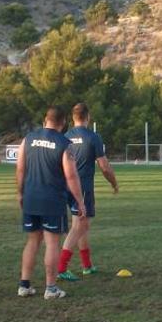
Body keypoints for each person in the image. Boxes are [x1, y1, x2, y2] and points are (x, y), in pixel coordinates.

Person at [17, 107, 87, 299]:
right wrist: (80, 201)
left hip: (31, 197)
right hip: (52, 200)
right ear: (63, 123)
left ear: (45, 120)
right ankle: (51, 287)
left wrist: (20, 193)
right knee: (52, 243)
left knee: (32, 241)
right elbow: (71, 176)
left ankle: (24, 285)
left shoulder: (28, 139)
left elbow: (21, 168)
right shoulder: (64, 144)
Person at [57, 103, 119, 281]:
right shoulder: (93, 137)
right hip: (82, 187)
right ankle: (61, 268)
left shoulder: (65, 136)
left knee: (82, 225)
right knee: (80, 226)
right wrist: (114, 183)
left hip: (65, 185)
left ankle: (87, 265)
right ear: (88, 117)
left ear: (73, 117)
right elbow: (104, 167)